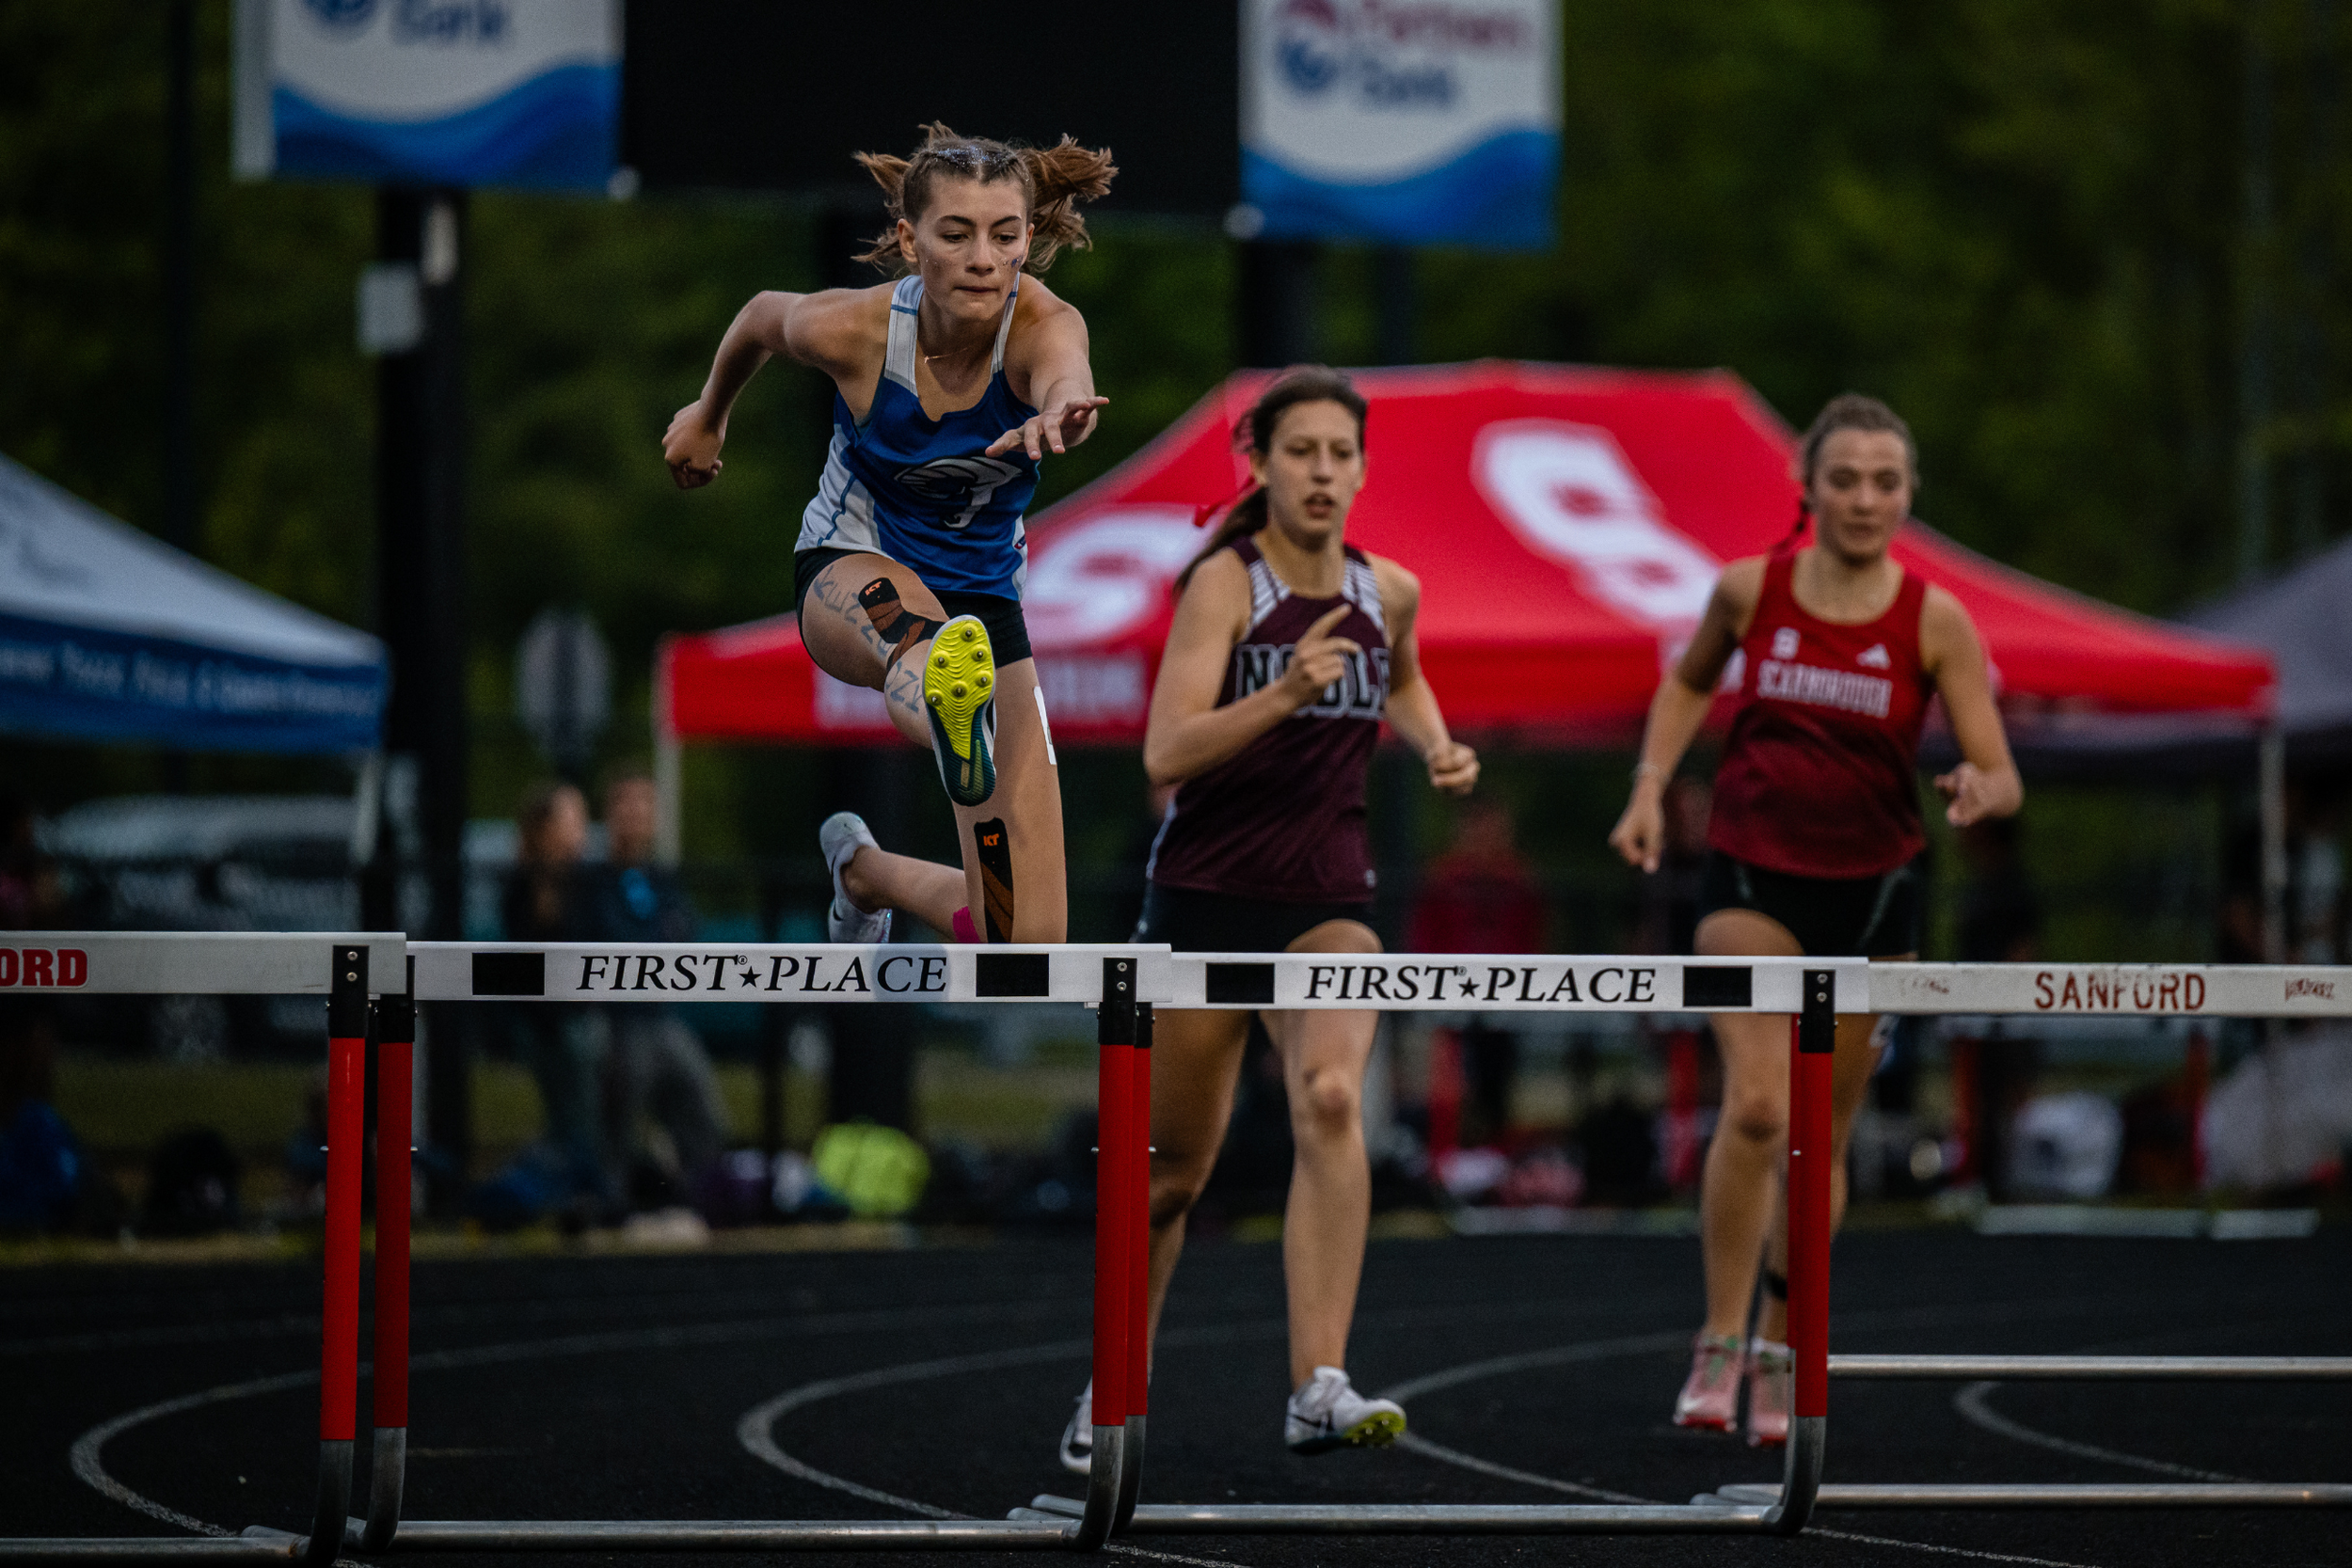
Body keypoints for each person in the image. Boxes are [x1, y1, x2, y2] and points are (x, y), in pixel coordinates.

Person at [1057, 367, 1481, 1474]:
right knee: (1170, 1178)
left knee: (1332, 1095)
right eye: (1301, 452)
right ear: (1261, 464)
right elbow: (1165, 751)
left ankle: (1318, 1382)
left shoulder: (1390, 590)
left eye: (1340, 453)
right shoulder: (1222, 584)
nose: (1322, 472)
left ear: (1363, 469)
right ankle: (1113, 1379)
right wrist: (1285, 693)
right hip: (1204, 902)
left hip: (1328, 903)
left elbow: (1403, 676)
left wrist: (1436, 742)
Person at [1607, 393, 2022, 1447]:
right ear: (1808, 485)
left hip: (1874, 893)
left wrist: (1978, 787)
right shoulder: (1751, 589)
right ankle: (1718, 1337)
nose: (1865, 499)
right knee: (1755, 1106)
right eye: (1845, 480)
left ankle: (1784, 1345)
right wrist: (1650, 785)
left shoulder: (1933, 618)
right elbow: (1684, 685)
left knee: (1817, 1138)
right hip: (1752, 879)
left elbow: (2000, 767)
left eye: (1885, 482)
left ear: (1909, 492)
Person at [662, 124, 1115, 947]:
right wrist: (708, 416)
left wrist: (1063, 414)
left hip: (984, 604)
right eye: (956, 234)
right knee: (923, 642)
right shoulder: (858, 330)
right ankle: (947, 697)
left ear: (1026, 242)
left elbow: (1067, 378)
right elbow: (762, 317)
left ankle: (864, 873)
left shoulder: (1044, 325)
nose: (983, 259)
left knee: (1025, 940)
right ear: (910, 242)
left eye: (1004, 236)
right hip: (854, 565)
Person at [589, 768, 729, 1199]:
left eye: (644, 804)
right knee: (621, 1103)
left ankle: (708, 1194)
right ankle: (612, 1196)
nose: (636, 814)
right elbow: (611, 938)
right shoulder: (592, 880)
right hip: (615, 1020)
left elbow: (684, 929)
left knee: (703, 1106)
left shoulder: (662, 878)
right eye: (626, 803)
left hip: (662, 1018)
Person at [500, 781, 615, 1217]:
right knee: (568, 1118)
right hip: (545, 1024)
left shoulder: (587, 881)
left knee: (586, 1116)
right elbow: (525, 962)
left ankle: (589, 1193)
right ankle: (576, 1194)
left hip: (582, 1020)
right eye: (573, 820)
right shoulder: (522, 884)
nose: (582, 830)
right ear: (547, 828)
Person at [1406, 800, 1547, 1148]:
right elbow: (1422, 939)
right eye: (1478, 829)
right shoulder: (1442, 879)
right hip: (1448, 1001)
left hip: (1506, 1000)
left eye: (1493, 829)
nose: (1485, 839)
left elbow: (1533, 938)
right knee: (1448, 1090)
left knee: (1498, 1087)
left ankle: (1493, 1158)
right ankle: (1446, 1155)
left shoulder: (1519, 879)